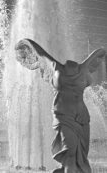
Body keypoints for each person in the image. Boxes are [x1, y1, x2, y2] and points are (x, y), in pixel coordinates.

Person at [15, 38, 106, 173]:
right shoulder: (55, 67)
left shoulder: (83, 68)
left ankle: (70, 169)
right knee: (70, 149)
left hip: (81, 116)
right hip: (63, 115)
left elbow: (101, 52)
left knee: (82, 151)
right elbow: (40, 53)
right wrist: (27, 42)